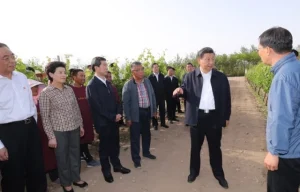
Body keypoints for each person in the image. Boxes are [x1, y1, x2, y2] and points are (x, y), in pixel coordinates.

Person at [173, 47, 231, 189]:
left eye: (213, 59)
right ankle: (194, 172)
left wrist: (226, 116)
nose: (211, 62)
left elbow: (227, 98)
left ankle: (219, 174)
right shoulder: (189, 76)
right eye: (207, 59)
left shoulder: (221, 77)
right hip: (197, 118)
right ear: (199, 60)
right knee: (195, 148)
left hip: (214, 118)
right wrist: (180, 91)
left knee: (215, 148)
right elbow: (184, 91)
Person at [257, 27, 300, 192]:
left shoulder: (283, 76)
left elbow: (281, 118)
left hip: (288, 154)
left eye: (259, 49)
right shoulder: (296, 68)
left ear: (268, 50)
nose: (258, 53)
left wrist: (275, 152)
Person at [0, 43, 47, 192]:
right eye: (5, 58)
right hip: (9, 133)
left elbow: (30, 105)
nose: (11, 60)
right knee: (13, 175)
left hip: (30, 128)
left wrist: (33, 125)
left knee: (37, 170)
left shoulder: (21, 77)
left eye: (12, 56)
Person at [39, 61, 87, 192]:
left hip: (74, 128)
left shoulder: (69, 89)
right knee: (62, 157)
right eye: (60, 72)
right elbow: (45, 117)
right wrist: (51, 137)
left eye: (64, 72)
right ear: (51, 74)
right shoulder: (46, 93)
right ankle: (66, 183)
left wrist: (80, 125)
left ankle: (76, 178)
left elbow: (76, 109)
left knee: (75, 154)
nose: (63, 75)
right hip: (58, 131)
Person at [86, 57, 130, 183]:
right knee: (104, 148)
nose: (106, 67)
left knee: (115, 145)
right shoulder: (92, 85)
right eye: (104, 65)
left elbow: (117, 100)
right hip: (103, 123)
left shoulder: (109, 83)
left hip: (114, 121)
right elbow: (97, 107)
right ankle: (106, 171)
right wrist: (112, 116)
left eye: (106, 65)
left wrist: (118, 113)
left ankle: (117, 166)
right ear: (96, 67)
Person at [122, 61, 157, 168]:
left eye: (142, 69)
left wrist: (154, 110)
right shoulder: (128, 85)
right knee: (135, 137)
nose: (141, 71)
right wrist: (127, 117)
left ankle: (146, 152)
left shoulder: (147, 82)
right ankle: (136, 159)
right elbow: (126, 103)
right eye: (138, 70)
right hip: (135, 114)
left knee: (147, 134)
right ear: (133, 72)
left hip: (146, 112)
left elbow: (152, 95)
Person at [28, 79, 60, 185]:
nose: (36, 89)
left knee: (50, 154)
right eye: (33, 87)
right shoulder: (25, 104)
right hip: (33, 134)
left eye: (37, 87)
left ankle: (54, 175)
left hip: (45, 131)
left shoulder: (40, 100)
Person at [69, 68, 100, 167]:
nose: (83, 77)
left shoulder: (86, 88)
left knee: (86, 139)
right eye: (81, 76)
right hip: (77, 120)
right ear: (74, 77)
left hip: (88, 119)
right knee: (81, 139)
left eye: (84, 75)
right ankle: (89, 160)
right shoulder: (70, 90)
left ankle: (82, 155)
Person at [148, 63, 169, 130]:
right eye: (154, 67)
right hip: (154, 98)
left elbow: (165, 86)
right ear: (152, 69)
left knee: (162, 110)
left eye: (157, 67)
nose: (156, 68)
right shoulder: (150, 77)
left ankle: (163, 123)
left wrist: (165, 96)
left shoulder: (162, 76)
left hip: (162, 97)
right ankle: (155, 124)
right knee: (154, 110)